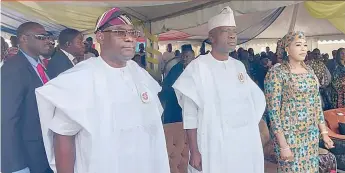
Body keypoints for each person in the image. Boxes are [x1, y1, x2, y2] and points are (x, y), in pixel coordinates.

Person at [35, 8, 170, 173]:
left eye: (133, 33)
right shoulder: (79, 78)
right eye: (120, 32)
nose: (129, 39)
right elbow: (63, 136)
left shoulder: (140, 74)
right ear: (100, 37)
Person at [173, 6, 266, 173]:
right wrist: (194, 151)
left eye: (234, 31)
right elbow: (189, 114)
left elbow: (256, 101)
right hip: (213, 145)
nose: (232, 35)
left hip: (242, 144)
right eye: (225, 31)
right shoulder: (197, 68)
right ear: (211, 37)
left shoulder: (238, 67)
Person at [264, 31, 334, 173]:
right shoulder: (277, 73)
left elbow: (316, 104)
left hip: (310, 135)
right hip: (289, 137)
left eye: (305, 45)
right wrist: (283, 145)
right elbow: (273, 112)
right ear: (287, 49)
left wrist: (324, 133)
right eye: (298, 45)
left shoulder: (309, 71)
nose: (303, 48)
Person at [1, 22, 53, 173]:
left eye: (48, 37)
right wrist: (16, 166)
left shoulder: (38, 65)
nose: (48, 41)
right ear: (24, 39)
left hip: (43, 150)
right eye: (41, 37)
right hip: (27, 157)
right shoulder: (13, 69)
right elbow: (7, 120)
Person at [159, 44, 195, 124]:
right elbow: (167, 85)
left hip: (191, 105)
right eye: (183, 56)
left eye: (187, 56)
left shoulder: (197, 69)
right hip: (174, 104)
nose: (184, 59)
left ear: (193, 57)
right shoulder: (175, 69)